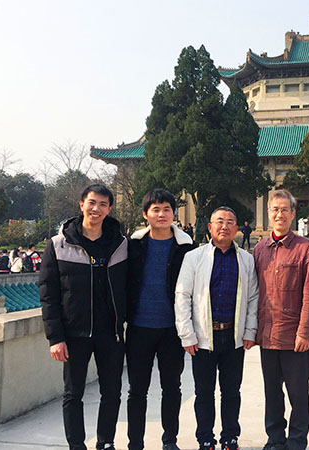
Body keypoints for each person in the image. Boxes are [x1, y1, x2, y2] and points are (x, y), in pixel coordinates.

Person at [40, 184, 128, 450]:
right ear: (81, 205)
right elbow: (48, 294)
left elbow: (130, 286)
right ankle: (76, 444)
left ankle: (105, 442)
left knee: (111, 393)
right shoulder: (59, 245)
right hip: (74, 334)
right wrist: (55, 338)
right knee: (73, 393)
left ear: (109, 209)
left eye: (103, 204)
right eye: (91, 203)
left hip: (110, 333)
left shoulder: (121, 244)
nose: (96, 209)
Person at [175, 206, 259, 450]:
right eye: (219, 221)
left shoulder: (246, 259)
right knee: (203, 393)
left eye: (230, 222)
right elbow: (182, 296)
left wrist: (250, 331)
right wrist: (187, 334)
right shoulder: (194, 257)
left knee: (231, 392)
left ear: (237, 228)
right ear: (210, 227)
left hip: (233, 336)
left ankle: (230, 438)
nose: (224, 226)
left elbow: (253, 297)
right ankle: (205, 440)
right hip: (203, 338)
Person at [126, 189, 196, 450]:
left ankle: (170, 441)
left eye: (167, 209)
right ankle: (135, 442)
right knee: (137, 390)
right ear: (146, 214)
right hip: (139, 328)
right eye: (155, 209)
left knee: (172, 388)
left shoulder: (186, 248)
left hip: (171, 330)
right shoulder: (133, 245)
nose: (162, 214)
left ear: (174, 213)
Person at [253, 189, 309, 450]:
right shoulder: (260, 249)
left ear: (293, 213)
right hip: (268, 335)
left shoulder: (305, 248)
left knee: (298, 395)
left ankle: (296, 441)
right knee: (272, 393)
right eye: (275, 209)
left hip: (295, 337)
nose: (279, 214)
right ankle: (275, 439)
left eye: (285, 209)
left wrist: (305, 332)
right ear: (268, 213)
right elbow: (254, 292)